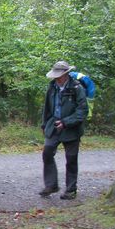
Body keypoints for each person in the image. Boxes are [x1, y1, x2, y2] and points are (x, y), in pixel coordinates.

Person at [39, 60, 88, 200]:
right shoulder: (52, 87)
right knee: (47, 153)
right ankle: (51, 185)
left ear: (66, 75)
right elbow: (47, 108)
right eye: (55, 76)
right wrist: (44, 125)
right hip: (53, 126)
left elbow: (82, 110)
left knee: (71, 158)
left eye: (59, 76)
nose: (57, 79)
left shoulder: (77, 88)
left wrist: (66, 123)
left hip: (72, 129)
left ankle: (71, 189)